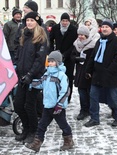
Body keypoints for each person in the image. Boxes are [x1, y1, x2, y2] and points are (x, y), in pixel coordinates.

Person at [25, 51, 73, 152]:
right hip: (47, 106)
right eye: (49, 61)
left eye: (52, 61)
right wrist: (30, 83)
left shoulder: (61, 76)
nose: (50, 63)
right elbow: (40, 83)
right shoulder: (46, 74)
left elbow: (65, 91)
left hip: (57, 107)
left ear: (58, 62)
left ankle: (68, 140)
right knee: (42, 125)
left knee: (63, 124)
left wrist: (59, 104)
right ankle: (36, 143)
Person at [14, 12, 49, 143]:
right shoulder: (24, 36)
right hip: (22, 77)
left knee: (29, 105)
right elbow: (19, 54)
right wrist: (17, 67)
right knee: (18, 105)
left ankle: (33, 131)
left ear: (37, 22)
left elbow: (39, 60)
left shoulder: (41, 38)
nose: (29, 23)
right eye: (27, 20)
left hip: (34, 78)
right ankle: (26, 128)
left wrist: (30, 74)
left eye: (31, 20)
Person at [84, 19, 117, 127]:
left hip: (110, 75)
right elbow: (93, 57)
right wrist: (88, 70)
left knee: (114, 97)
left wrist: (109, 70)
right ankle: (94, 118)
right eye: (103, 27)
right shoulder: (99, 41)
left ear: (111, 29)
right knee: (93, 96)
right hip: (97, 74)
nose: (104, 29)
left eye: (107, 27)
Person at [49, 12, 78, 102]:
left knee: (68, 78)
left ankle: (67, 97)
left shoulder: (73, 30)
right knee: (57, 77)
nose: (64, 23)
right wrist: (52, 52)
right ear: (60, 21)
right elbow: (50, 40)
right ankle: (57, 95)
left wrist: (65, 54)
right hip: (57, 57)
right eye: (63, 21)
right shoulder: (55, 28)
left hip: (69, 58)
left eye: (66, 21)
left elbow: (74, 45)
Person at [73, 25, 97, 120]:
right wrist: (75, 58)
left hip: (88, 72)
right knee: (81, 92)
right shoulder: (76, 44)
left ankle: (91, 110)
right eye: (79, 34)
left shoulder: (92, 45)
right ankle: (84, 110)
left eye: (83, 35)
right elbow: (72, 55)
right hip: (79, 72)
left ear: (87, 35)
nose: (81, 36)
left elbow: (94, 59)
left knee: (90, 93)